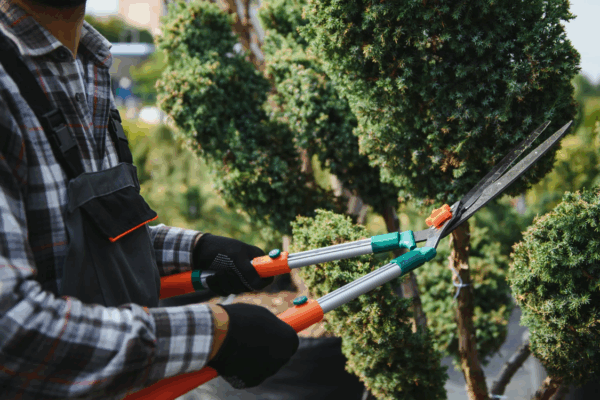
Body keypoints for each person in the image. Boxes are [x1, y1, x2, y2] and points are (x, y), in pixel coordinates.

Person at [0, 0, 299, 398]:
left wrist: (196, 250)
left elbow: (82, 239)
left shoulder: (88, 65)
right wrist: (216, 333)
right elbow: (10, 328)